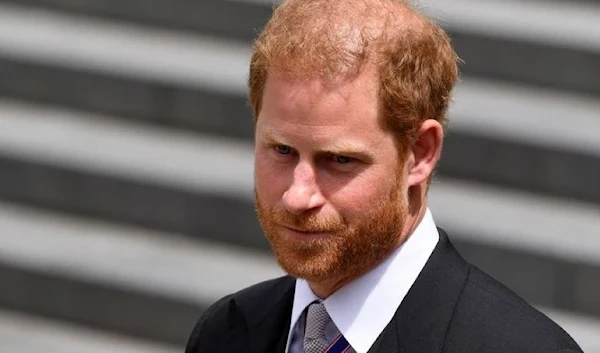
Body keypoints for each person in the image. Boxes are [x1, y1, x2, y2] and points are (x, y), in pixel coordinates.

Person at [185, 0, 583, 352]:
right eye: (282, 151)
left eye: (339, 160)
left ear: (420, 154)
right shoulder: (225, 333)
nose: (297, 196)